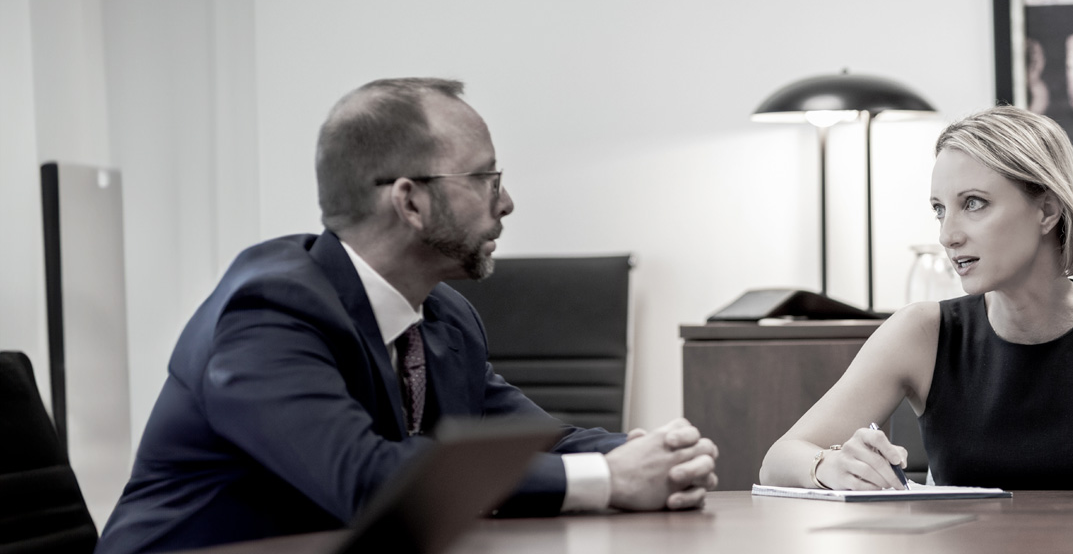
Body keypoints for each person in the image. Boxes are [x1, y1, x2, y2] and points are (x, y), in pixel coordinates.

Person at [97, 78, 719, 554]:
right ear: (411, 201)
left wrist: (657, 453)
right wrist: (608, 479)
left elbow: (528, 440)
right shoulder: (268, 314)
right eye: (484, 177)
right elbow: (370, 481)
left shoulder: (444, 316)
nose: (506, 201)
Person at [759, 106, 1073, 491]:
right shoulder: (922, 332)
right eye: (940, 210)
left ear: (1047, 210)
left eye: (973, 203)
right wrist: (831, 465)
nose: (948, 235)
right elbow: (779, 459)